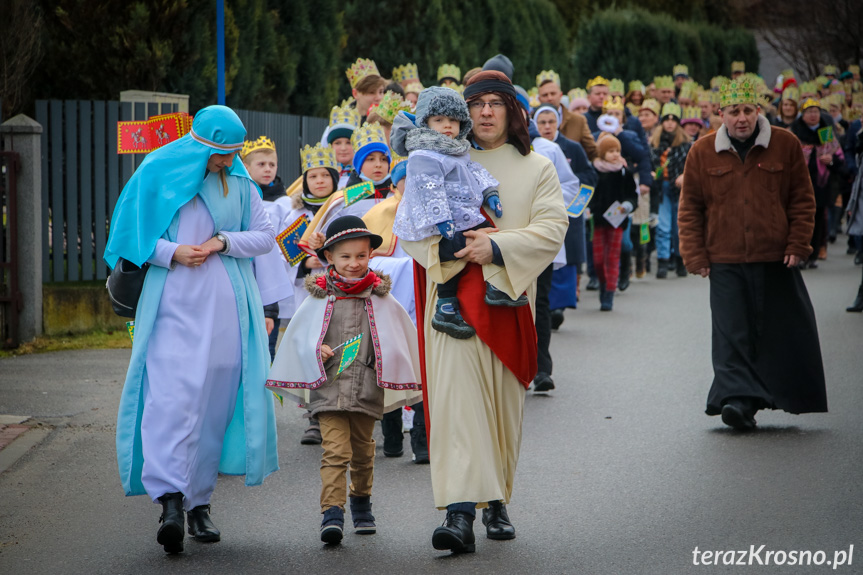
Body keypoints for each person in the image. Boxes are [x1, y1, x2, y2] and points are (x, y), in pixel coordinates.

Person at [400, 69, 567, 554]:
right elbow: (412, 222)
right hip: (451, 299)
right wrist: (452, 250)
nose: (486, 111)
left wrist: (494, 247)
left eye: (497, 102)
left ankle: (495, 499)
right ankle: (458, 513)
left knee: (500, 409)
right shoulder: (434, 155)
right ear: (462, 112)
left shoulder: (537, 167)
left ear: (513, 110)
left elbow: (552, 228)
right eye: (477, 103)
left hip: (508, 297)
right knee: (457, 406)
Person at [107, 105, 279, 554]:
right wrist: (171, 252)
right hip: (171, 305)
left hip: (227, 312)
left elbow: (263, 236)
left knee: (212, 407)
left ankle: (199, 504)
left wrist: (223, 241)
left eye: (234, 153)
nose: (229, 161)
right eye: (222, 153)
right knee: (171, 399)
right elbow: (129, 235)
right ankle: (169, 502)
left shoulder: (239, 180)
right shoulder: (158, 169)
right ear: (201, 144)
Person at [678, 77, 827, 430]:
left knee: (775, 331)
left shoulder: (785, 144)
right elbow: (690, 208)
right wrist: (694, 255)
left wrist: (798, 243)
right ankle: (737, 401)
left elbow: (802, 200)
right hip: (724, 259)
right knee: (731, 333)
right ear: (721, 115)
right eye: (733, 112)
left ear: (758, 111)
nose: (741, 118)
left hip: (775, 257)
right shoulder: (701, 151)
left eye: (747, 110)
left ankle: (767, 396)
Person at [266, 215, 422, 545]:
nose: (354, 263)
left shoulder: (380, 298)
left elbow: (397, 337)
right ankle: (332, 513)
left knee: (364, 453)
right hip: (329, 388)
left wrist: (386, 360)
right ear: (330, 258)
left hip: (366, 387)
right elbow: (299, 337)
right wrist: (314, 349)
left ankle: (361, 504)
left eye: (361, 256)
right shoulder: (319, 297)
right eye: (345, 256)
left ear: (371, 257)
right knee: (335, 452)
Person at [392, 86, 516, 339]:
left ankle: (495, 286)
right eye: (439, 120)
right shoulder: (424, 155)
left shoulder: (456, 149)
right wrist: (441, 220)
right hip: (436, 222)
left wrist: (490, 191)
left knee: (490, 240)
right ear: (426, 123)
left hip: (462, 214)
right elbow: (429, 188)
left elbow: (474, 171)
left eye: (453, 120)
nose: (447, 126)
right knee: (449, 255)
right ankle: (446, 307)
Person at [239, 136, 295, 361]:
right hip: (242, 277)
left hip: (268, 286)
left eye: (272, 164)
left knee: (265, 351)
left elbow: (285, 245)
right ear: (246, 167)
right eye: (261, 164)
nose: (268, 169)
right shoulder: (240, 198)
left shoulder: (285, 203)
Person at [790, 98, 847, 268]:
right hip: (798, 184)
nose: (813, 115)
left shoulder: (826, 132)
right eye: (809, 112)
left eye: (816, 111)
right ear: (803, 114)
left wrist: (830, 160)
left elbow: (839, 161)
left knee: (816, 220)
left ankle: (812, 254)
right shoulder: (795, 132)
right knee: (798, 219)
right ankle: (799, 254)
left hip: (821, 184)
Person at [589, 134, 638, 310]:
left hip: (618, 221)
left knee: (612, 257)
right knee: (598, 260)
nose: (615, 154)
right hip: (598, 220)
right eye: (610, 151)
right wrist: (587, 209)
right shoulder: (594, 171)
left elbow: (633, 195)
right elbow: (588, 193)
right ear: (602, 153)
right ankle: (603, 283)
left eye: (617, 150)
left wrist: (628, 205)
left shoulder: (624, 171)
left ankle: (609, 293)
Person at [649, 102, 692, 278]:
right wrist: (651, 172)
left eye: (674, 120)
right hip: (662, 188)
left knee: (678, 227)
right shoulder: (654, 143)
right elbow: (649, 162)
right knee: (663, 227)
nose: (670, 123)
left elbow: (694, 166)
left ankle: (680, 259)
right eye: (666, 120)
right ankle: (663, 262)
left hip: (680, 189)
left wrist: (685, 175)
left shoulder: (686, 144)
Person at [536, 70, 598, 160]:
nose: (549, 98)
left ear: (560, 95)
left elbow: (592, 152)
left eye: (553, 94)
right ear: (539, 98)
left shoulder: (578, 120)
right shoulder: (531, 122)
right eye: (545, 95)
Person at [321, 103, 361, 189]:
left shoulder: (363, 176)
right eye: (337, 143)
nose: (343, 148)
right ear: (330, 146)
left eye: (349, 143)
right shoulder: (320, 178)